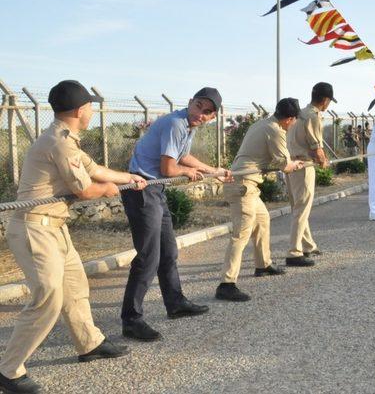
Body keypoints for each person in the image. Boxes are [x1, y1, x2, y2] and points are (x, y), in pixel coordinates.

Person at [0, 81, 142, 394]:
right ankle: (8, 370)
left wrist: (131, 178)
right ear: (80, 110)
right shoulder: (59, 143)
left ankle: (89, 343)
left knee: (75, 288)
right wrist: (108, 191)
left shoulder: (66, 140)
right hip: (35, 229)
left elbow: (96, 169)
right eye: (91, 106)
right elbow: (85, 188)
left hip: (54, 227)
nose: (93, 111)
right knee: (48, 298)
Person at [121, 87, 230, 342]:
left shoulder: (186, 125)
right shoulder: (176, 124)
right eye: (199, 107)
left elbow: (183, 156)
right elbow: (169, 167)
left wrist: (214, 170)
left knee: (168, 252)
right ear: (190, 102)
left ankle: (175, 302)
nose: (201, 114)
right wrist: (186, 172)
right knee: (148, 257)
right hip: (142, 190)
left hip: (155, 189)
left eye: (207, 113)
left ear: (212, 117)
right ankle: (131, 319)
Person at [215, 98, 306, 302]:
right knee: (241, 234)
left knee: (263, 220)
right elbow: (286, 166)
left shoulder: (262, 124)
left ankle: (263, 265)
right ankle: (226, 284)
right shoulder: (275, 130)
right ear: (289, 119)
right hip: (242, 185)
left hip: (246, 184)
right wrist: (297, 164)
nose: (293, 124)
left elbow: (269, 158)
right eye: (293, 121)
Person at [286, 82, 334, 264]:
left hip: (291, 164)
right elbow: (316, 146)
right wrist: (323, 161)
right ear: (325, 100)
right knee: (302, 208)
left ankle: (308, 245)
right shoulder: (313, 116)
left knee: (298, 207)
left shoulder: (299, 113)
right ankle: (294, 252)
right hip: (304, 165)